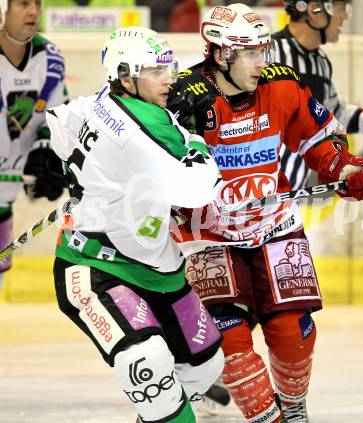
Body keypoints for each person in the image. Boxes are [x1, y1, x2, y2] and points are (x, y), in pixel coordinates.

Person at [168, 3, 363, 422]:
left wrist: (347, 166)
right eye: (249, 53)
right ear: (220, 54)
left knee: (293, 333)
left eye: (262, 50)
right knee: (227, 337)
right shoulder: (184, 98)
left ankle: (295, 407)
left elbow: (319, 138)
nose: (261, 62)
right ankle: (269, 418)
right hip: (209, 236)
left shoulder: (281, 84)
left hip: (274, 224)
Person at [47, 27, 224, 423]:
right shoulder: (144, 126)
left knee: (205, 364)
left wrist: (76, 173)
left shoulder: (100, 99)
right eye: (157, 72)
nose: (170, 80)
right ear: (126, 78)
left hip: (154, 265)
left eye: (170, 69)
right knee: (148, 360)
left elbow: (58, 121)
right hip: (96, 268)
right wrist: (193, 136)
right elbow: (197, 188)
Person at [272, 0, 363, 189]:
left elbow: (332, 112)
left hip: (288, 199)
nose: (346, 16)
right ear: (314, 10)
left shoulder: (321, 61)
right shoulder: (269, 52)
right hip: (256, 192)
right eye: (340, 9)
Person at [0, 0, 67, 290]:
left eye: (37, 3)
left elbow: (58, 117)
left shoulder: (49, 58)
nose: (33, 12)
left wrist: (46, 150)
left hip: (5, 196)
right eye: (23, 4)